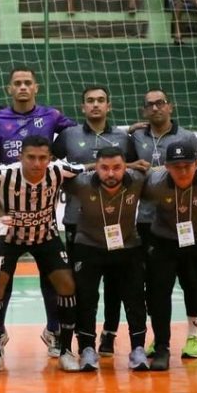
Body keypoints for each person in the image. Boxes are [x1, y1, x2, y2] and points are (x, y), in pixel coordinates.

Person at [0, 67, 76, 357]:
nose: (22, 87)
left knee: (55, 279)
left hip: (41, 210)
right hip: (9, 209)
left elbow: (76, 136)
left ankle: (55, 332)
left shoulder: (52, 116)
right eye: (17, 84)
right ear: (9, 89)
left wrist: (51, 163)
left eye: (27, 83)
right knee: (1, 283)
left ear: (36, 87)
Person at [0, 135, 86, 374]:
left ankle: (65, 350)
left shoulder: (59, 171)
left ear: (50, 158)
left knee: (67, 284)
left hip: (45, 237)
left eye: (42, 158)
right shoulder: (3, 175)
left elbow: (90, 167)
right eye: (31, 157)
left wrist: (132, 166)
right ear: (20, 157)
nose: (37, 163)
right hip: (10, 238)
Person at [53, 85, 142, 357]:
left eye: (101, 100)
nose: (95, 105)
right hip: (78, 223)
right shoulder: (68, 136)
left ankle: (109, 335)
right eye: (90, 101)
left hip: (118, 225)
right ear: (82, 107)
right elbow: (53, 170)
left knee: (117, 286)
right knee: (82, 287)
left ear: (109, 105)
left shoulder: (124, 138)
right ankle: (76, 338)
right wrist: (89, 168)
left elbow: (137, 170)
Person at [130, 88, 197, 359]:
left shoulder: (186, 137)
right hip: (147, 222)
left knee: (191, 281)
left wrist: (159, 172)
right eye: (149, 105)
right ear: (143, 111)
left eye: (160, 103)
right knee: (154, 285)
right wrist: (128, 130)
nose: (155, 108)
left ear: (170, 107)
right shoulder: (136, 136)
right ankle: (159, 338)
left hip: (183, 221)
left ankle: (193, 336)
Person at [141, 144, 197, 372]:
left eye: (187, 166)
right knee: (159, 292)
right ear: (167, 166)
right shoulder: (156, 183)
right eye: (176, 166)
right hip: (165, 240)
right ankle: (161, 348)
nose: (182, 171)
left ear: (196, 164)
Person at [66, 147, 150, 372]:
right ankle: (86, 349)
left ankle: (138, 349)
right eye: (104, 168)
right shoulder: (80, 183)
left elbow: (166, 172)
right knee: (86, 299)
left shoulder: (138, 180)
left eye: (117, 168)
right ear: (96, 168)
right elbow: (53, 175)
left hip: (127, 246)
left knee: (135, 298)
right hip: (88, 246)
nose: (110, 174)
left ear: (126, 167)